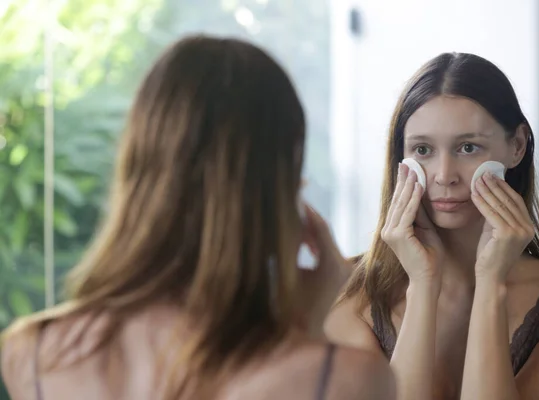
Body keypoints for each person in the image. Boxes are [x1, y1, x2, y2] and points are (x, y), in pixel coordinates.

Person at [0, 35, 396, 400]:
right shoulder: (344, 378)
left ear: (138, 170)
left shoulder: (31, 354)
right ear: (278, 191)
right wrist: (310, 332)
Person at [326, 52, 539, 400]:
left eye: (468, 147)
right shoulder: (344, 291)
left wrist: (490, 283)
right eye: (422, 149)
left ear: (516, 146)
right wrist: (423, 286)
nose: (444, 176)